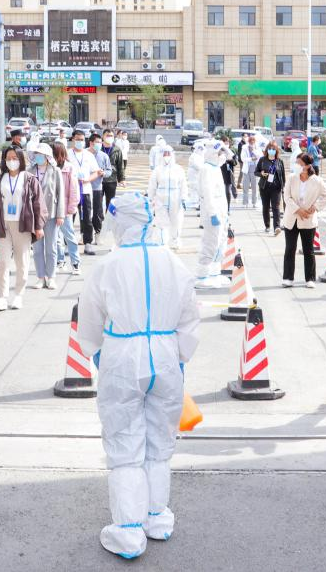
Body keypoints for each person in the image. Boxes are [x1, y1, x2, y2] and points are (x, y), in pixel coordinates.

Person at [75, 192, 201, 559]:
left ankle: (129, 531)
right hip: (165, 358)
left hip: (122, 358)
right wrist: (179, 358)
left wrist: (97, 352)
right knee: (160, 442)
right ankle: (157, 517)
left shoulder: (108, 266)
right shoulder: (174, 263)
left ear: (121, 224)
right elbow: (190, 319)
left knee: (124, 443)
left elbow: (90, 320)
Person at [0, 145, 47, 310]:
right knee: (2, 263)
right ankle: (2, 298)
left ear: (21, 160)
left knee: (22, 262)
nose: (12, 161)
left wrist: (39, 226)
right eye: (8, 158)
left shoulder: (29, 179)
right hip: (2, 225)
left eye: (15, 158)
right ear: (4, 160)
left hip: (22, 225)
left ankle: (18, 295)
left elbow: (39, 204)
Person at [281, 152, 326, 288]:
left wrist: (315, 207)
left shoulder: (317, 181)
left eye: (300, 163)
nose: (297, 166)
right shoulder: (291, 178)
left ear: (308, 166)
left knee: (308, 250)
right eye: (296, 163)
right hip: (292, 218)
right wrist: (298, 210)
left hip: (308, 220)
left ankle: (310, 278)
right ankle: (288, 278)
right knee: (290, 249)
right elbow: (287, 197)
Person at [29, 141, 66, 290]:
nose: (38, 157)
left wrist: (60, 214)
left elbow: (60, 193)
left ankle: (51, 277)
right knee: (37, 249)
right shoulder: (30, 171)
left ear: (47, 156)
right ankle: (40, 277)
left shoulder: (55, 171)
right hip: (34, 215)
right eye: (36, 154)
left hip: (51, 214)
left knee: (51, 248)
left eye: (41, 154)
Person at [194, 139, 230, 287]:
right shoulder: (206, 169)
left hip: (221, 211)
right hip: (212, 213)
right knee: (210, 243)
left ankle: (214, 273)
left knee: (221, 243)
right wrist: (213, 213)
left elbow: (230, 156)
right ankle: (202, 276)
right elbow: (208, 194)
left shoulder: (216, 168)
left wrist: (224, 148)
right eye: (219, 153)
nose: (221, 155)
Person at [69, 129, 103, 255]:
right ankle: (69, 244)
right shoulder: (67, 154)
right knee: (70, 217)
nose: (80, 142)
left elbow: (96, 172)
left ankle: (88, 243)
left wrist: (87, 180)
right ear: (73, 140)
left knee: (87, 217)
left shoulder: (88, 155)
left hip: (86, 190)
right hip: (71, 190)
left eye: (82, 140)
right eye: (77, 139)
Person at [148, 144, 187, 249]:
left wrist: (184, 198)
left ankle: (175, 240)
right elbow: (152, 186)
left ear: (172, 155)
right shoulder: (157, 170)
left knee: (176, 221)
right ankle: (162, 242)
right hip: (161, 200)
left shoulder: (178, 169)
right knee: (161, 222)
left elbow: (183, 185)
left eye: (168, 154)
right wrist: (150, 199)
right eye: (164, 154)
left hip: (175, 200)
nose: (166, 156)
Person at [54, 141, 83, 275]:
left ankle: (75, 263)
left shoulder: (69, 168)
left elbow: (74, 190)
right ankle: (60, 261)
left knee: (69, 236)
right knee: (56, 237)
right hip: (52, 208)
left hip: (65, 209)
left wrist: (71, 208)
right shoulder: (50, 167)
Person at [255, 140, 285, 235]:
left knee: (276, 207)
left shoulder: (279, 161)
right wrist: (261, 174)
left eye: (273, 149)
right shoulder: (262, 160)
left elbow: (283, 176)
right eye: (270, 149)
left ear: (276, 151)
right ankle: (267, 225)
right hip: (264, 187)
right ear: (267, 150)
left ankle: (277, 227)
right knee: (266, 207)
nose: (271, 150)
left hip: (276, 188)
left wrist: (283, 186)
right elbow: (256, 172)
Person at [100, 128, 126, 226]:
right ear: (103, 136)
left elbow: (120, 166)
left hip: (112, 179)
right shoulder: (98, 148)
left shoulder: (117, 149)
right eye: (107, 135)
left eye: (111, 136)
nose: (109, 137)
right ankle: (99, 220)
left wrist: (122, 179)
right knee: (98, 202)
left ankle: (109, 221)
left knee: (110, 202)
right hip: (98, 179)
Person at [239, 134, 259, 208]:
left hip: (255, 170)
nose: (252, 142)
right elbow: (242, 158)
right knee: (245, 187)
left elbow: (260, 156)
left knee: (255, 188)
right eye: (250, 141)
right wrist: (251, 159)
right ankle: (245, 203)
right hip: (246, 170)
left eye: (253, 141)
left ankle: (254, 203)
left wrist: (254, 151)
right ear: (248, 141)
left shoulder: (257, 147)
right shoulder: (244, 147)